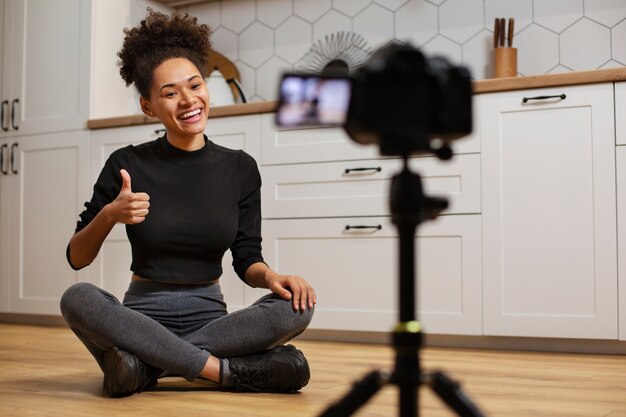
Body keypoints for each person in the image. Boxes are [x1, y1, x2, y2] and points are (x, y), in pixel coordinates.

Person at [60, 9, 316, 398]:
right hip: (140, 318)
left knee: (297, 306)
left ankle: (144, 367)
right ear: (149, 106)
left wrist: (273, 278)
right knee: (76, 298)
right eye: (170, 93)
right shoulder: (127, 163)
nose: (188, 100)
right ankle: (224, 372)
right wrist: (111, 214)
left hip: (211, 319)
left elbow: (247, 258)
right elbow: (77, 257)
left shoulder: (240, 168)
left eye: (195, 85)